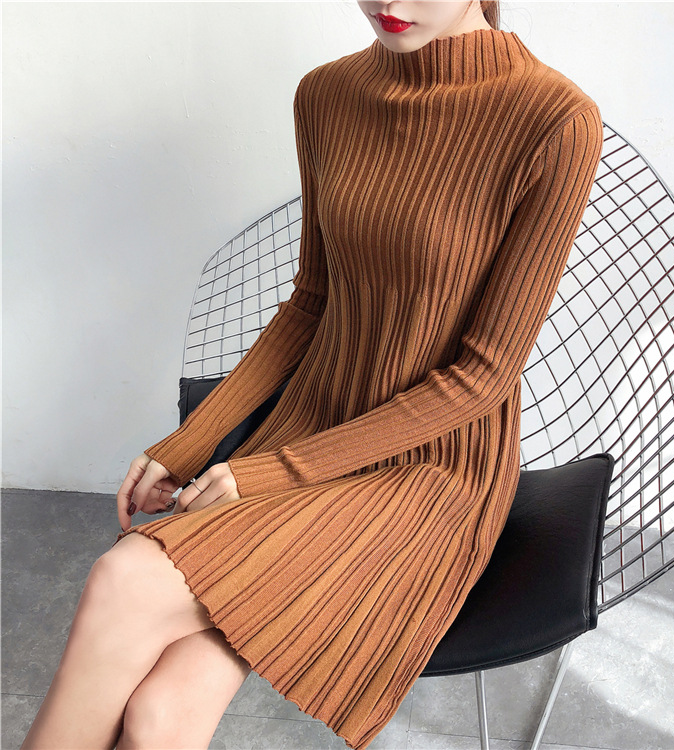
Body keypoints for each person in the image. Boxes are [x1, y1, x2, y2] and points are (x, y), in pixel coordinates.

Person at [21, 1, 603, 748]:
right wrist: (187, 445)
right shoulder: (325, 94)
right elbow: (310, 304)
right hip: (311, 424)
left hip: (431, 472)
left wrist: (267, 473)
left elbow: (482, 378)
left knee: (123, 582)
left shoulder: (556, 121)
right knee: (163, 714)